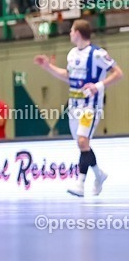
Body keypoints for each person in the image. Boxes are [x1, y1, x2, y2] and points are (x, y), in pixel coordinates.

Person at [35, 19, 123, 197]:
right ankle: (99, 174)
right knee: (83, 145)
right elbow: (68, 77)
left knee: (82, 141)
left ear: (77, 33)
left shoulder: (97, 54)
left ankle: (80, 184)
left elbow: (118, 74)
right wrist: (48, 67)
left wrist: (98, 86)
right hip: (74, 106)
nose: (69, 34)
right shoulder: (72, 54)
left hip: (90, 106)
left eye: (71, 31)